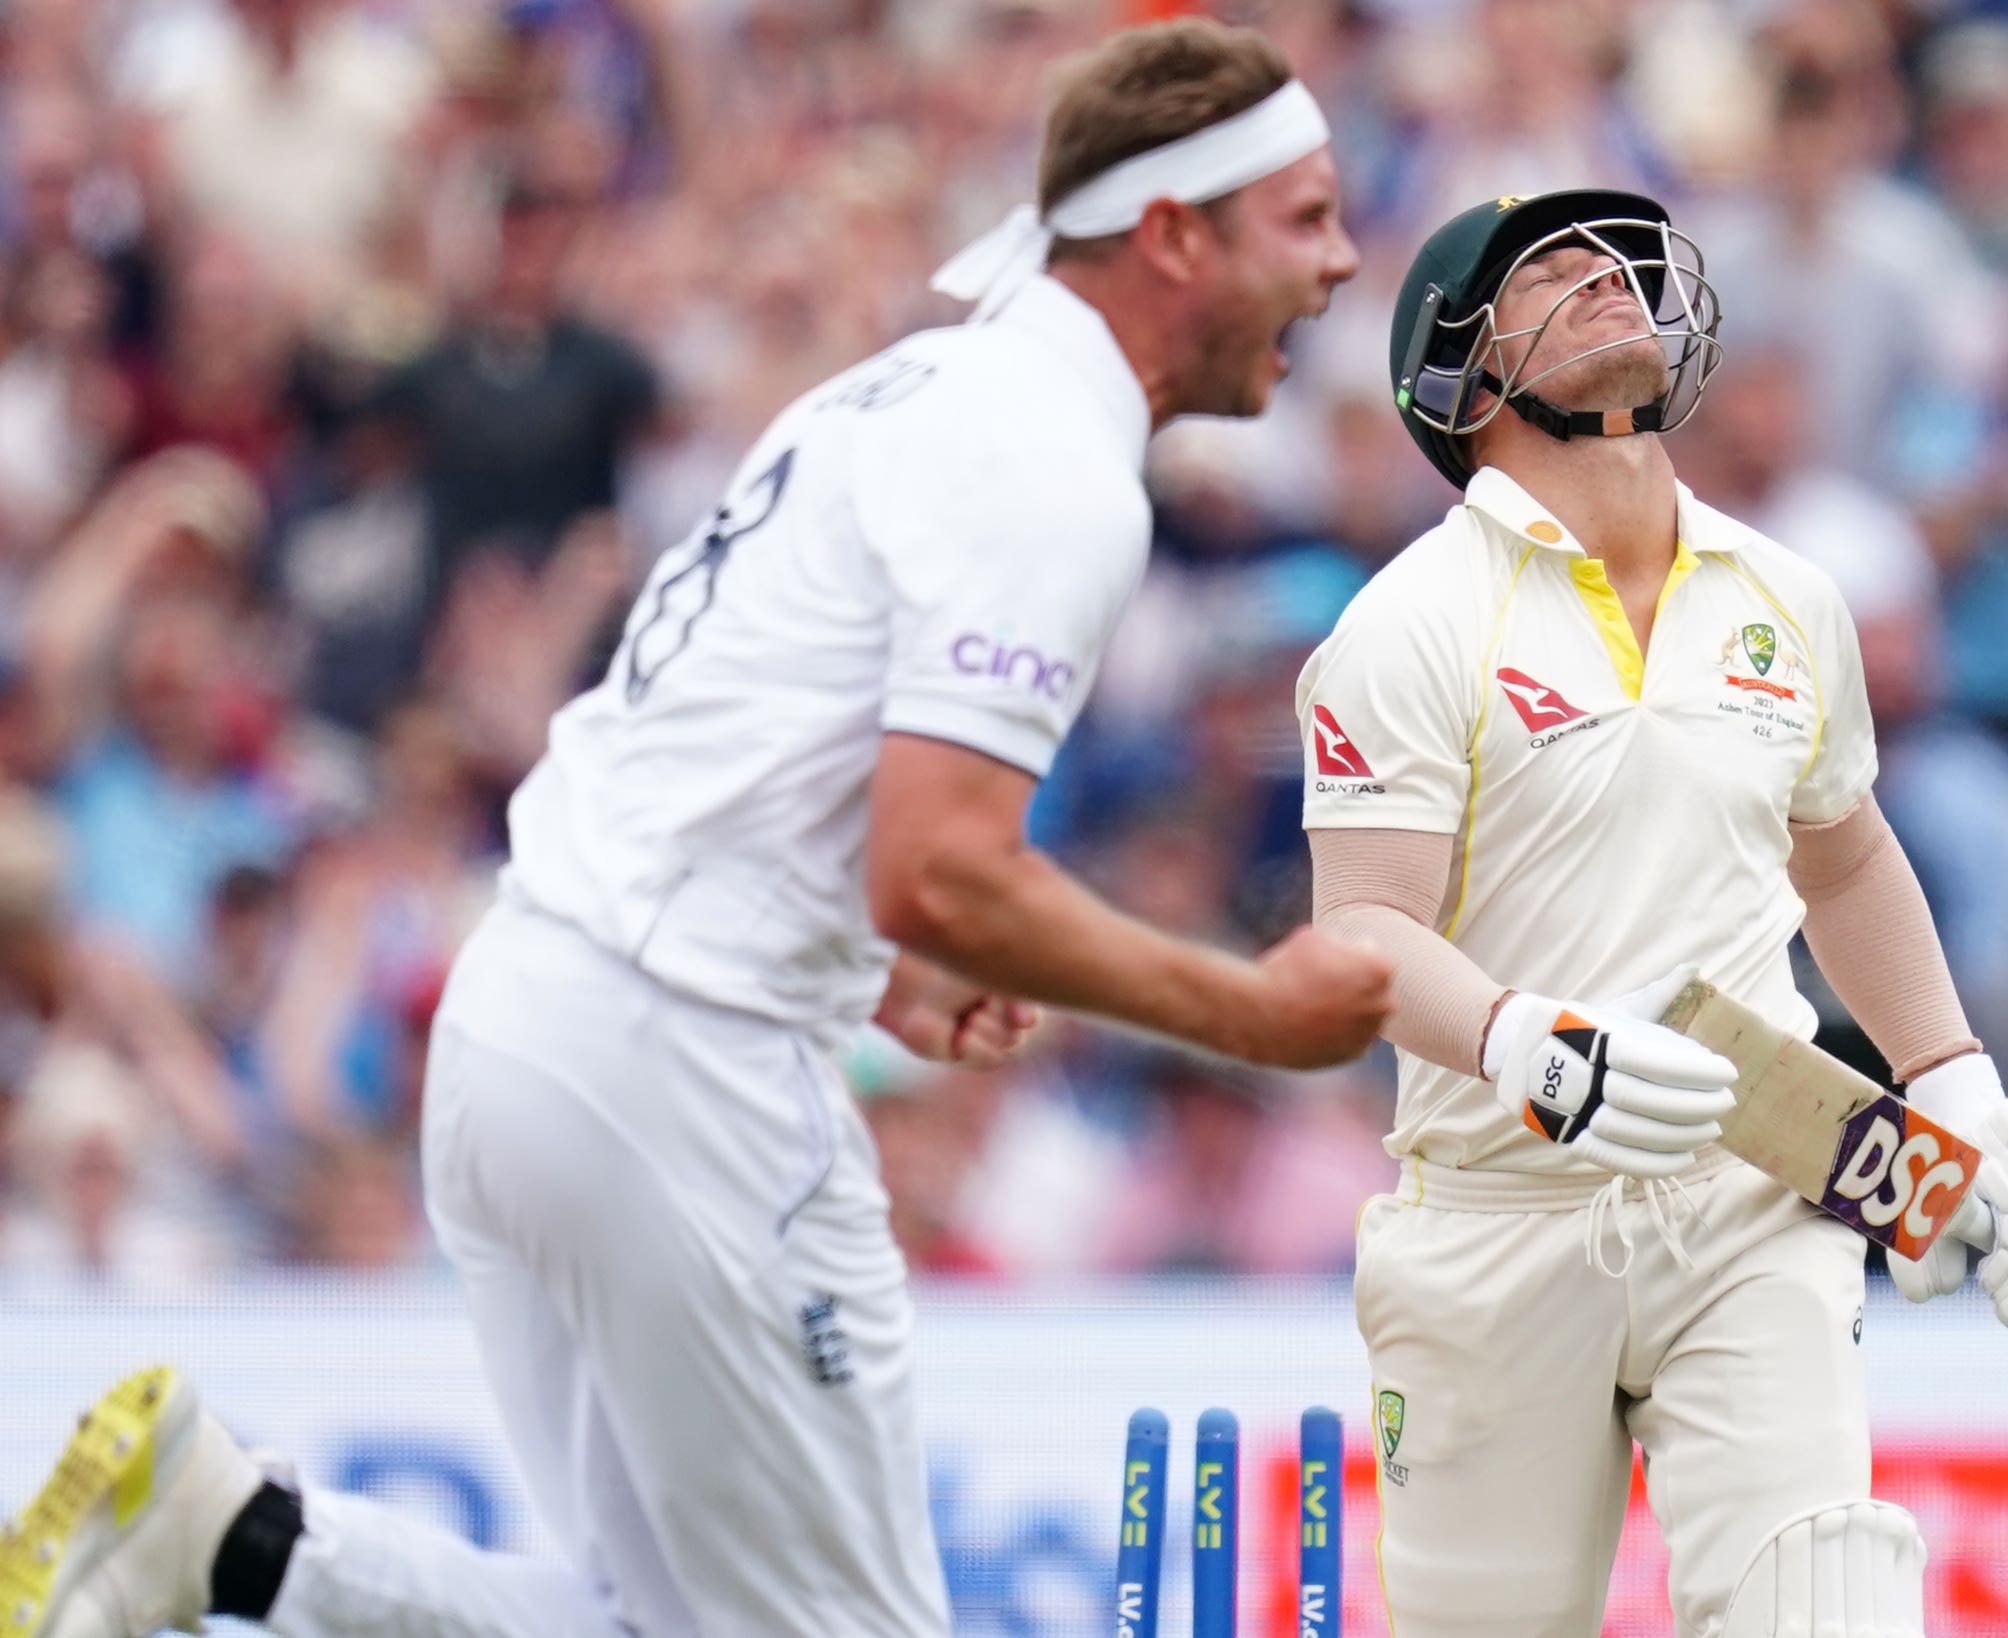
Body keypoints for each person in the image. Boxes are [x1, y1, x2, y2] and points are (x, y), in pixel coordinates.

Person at [3, 19, 1388, 1638]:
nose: (1341, 259)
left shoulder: (907, 390)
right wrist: (1249, 1012)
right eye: (1301, 218)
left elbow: (767, 775)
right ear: (1173, 233)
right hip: (683, 1077)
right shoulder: (1049, 465)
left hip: (531, 1017)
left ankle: (240, 1542)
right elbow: (936, 859)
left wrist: (875, 953)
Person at [1300, 190, 2008, 1638]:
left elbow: (1848, 858)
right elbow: (1360, 932)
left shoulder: (1785, 592)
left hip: (1750, 1185)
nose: (1608, 281)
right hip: (1495, 1212)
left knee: (1823, 1600)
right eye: (1553, 271)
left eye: (1620, 260)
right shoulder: (1408, 622)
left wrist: (1957, 1086)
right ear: (1456, 366)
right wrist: (1519, 1042)